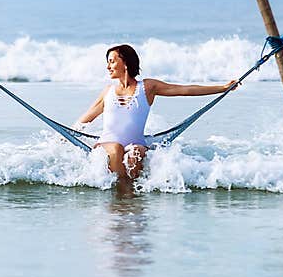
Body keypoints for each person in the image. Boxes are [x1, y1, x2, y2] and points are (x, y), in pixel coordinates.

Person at [74, 44, 238, 181]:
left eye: (111, 61)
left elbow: (184, 89)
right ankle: (122, 191)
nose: (108, 66)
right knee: (117, 149)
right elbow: (85, 119)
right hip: (107, 145)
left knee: (136, 151)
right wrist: (62, 137)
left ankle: (131, 190)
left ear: (125, 63)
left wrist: (222, 88)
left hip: (136, 143)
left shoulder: (147, 87)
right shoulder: (108, 91)